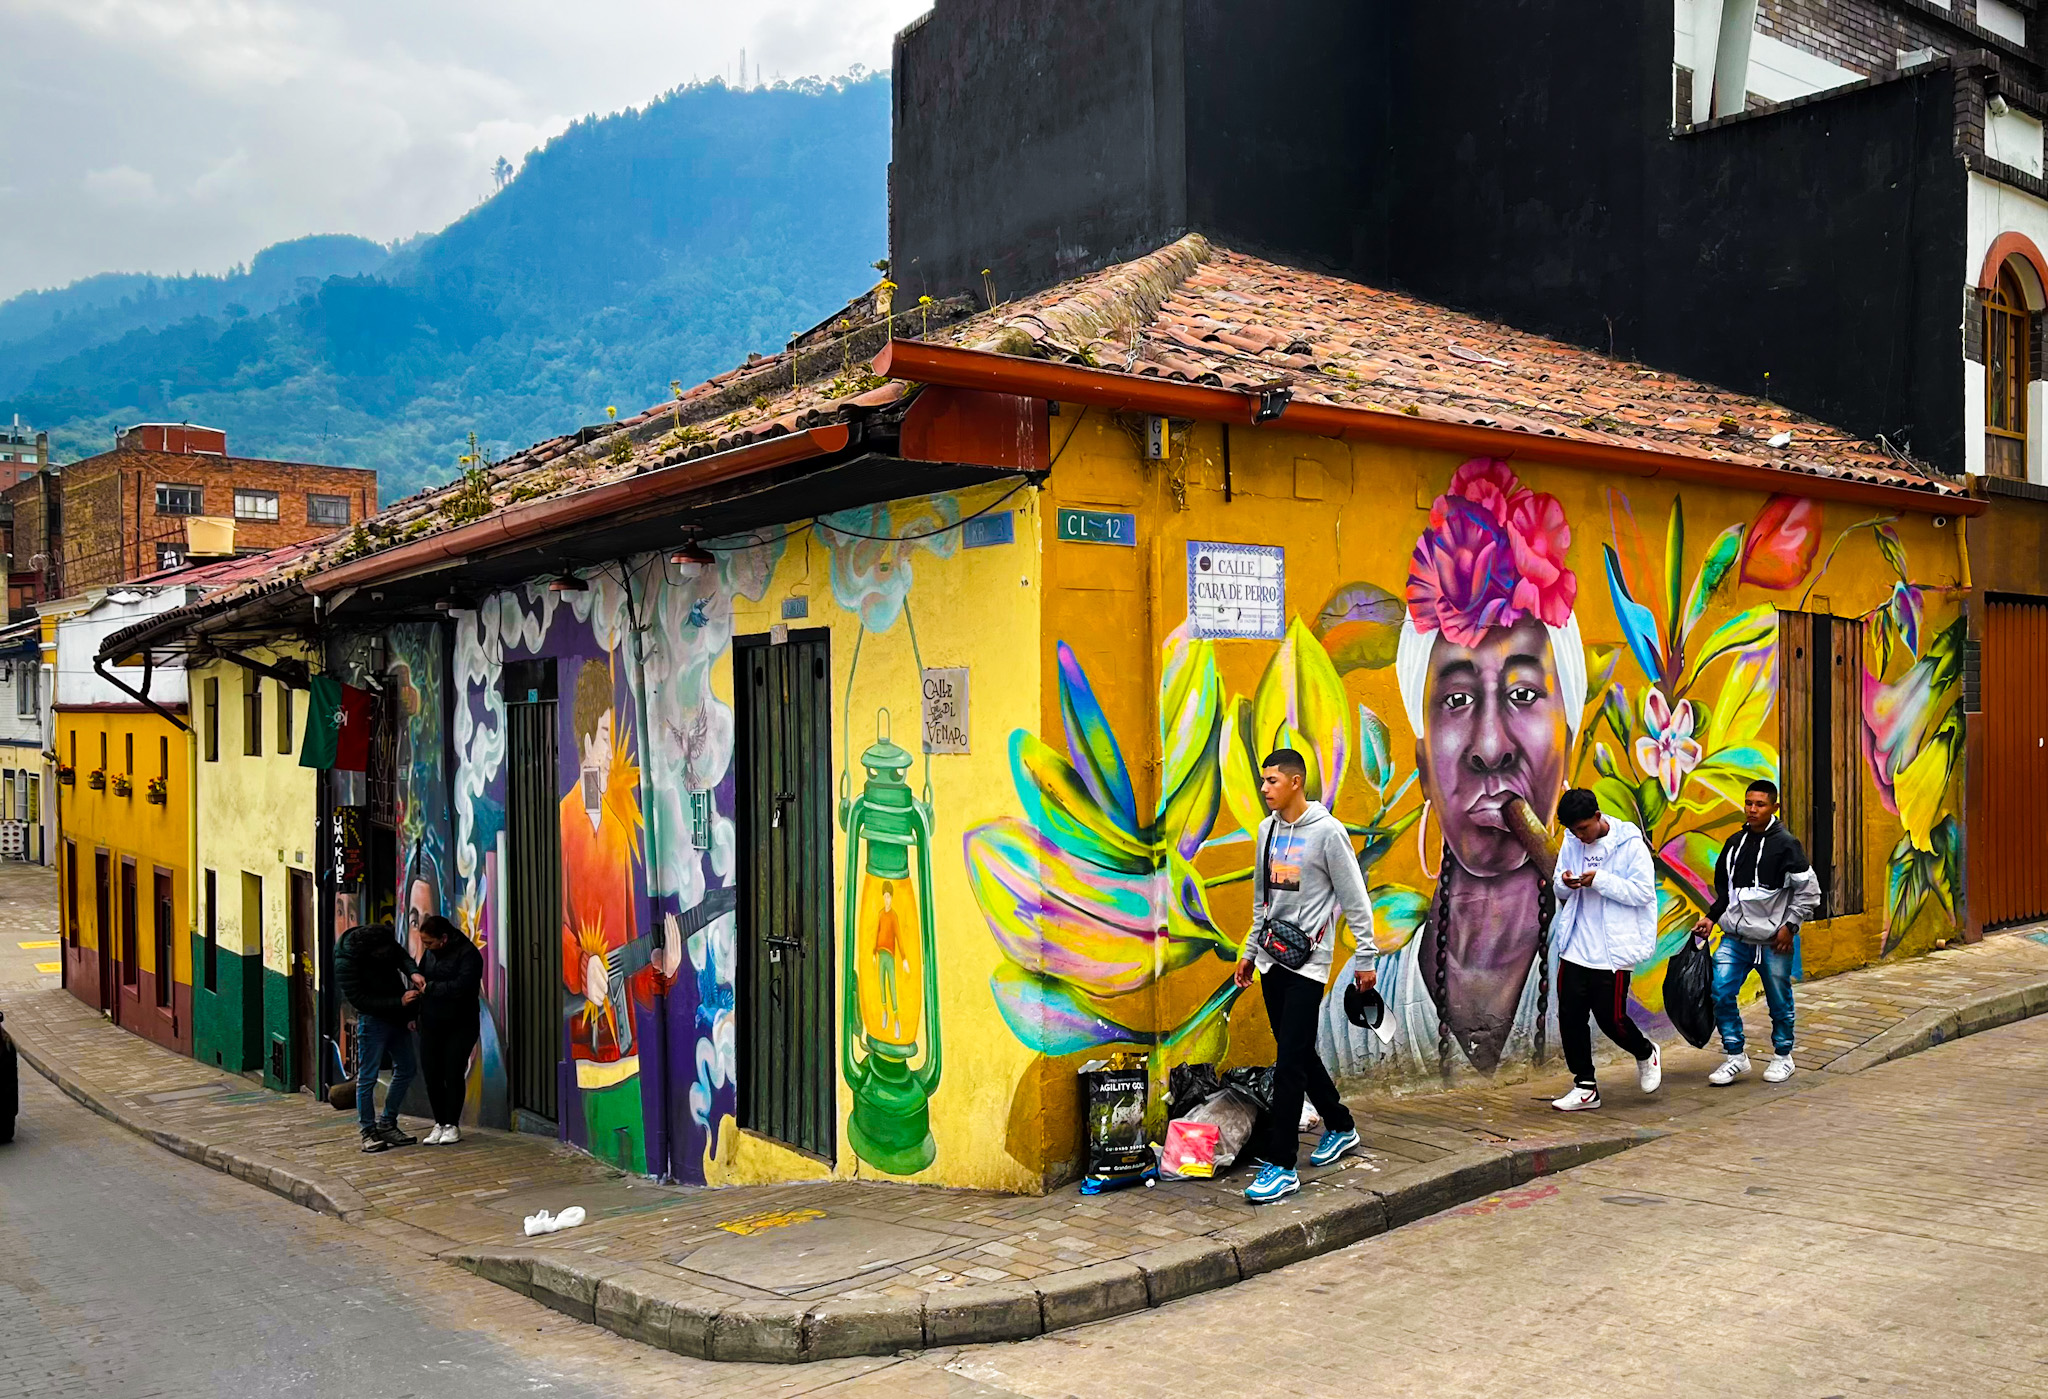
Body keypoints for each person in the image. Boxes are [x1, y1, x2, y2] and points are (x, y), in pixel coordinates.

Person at [1233, 748, 1378, 1204]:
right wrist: (1249, 951)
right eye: (1263, 780)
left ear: (1296, 782)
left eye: (1272, 781)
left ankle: (1281, 1164)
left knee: (1289, 1061)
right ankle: (1340, 1125)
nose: (1264, 788)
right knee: (1296, 1048)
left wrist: (1365, 958)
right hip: (1273, 958)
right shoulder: (1267, 830)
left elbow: (1355, 899)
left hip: (1310, 964)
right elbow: (1263, 901)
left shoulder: (1328, 833)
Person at [1693, 779, 1820, 1086]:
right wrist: (1711, 918)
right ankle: (1735, 1056)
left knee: (1778, 1000)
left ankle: (1783, 1056)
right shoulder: (1734, 844)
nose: (1752, 809)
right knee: (1721, 992)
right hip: (1735, 938)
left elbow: (1809, 892)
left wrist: (1790, 927)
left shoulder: (1787, 844)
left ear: (1774, 807)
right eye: (1748, 803)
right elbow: (1726, 891)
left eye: (1760, 804)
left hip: (1774, 941)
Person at [1547, 788, 1661, 1111]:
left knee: (1612, 1020)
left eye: (1583, 829)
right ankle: (1585, 1086)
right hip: (1576, 945)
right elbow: (1558, 883)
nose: (1579, 836)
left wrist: (1600, 880)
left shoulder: (1630, 846)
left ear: (1598, 817)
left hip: (1612, 951)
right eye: (1572, 831)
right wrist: (1565, 882)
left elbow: (1641, 893)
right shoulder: (1572, 842)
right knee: (1570, 1017)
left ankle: (1645, 1052)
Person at [335, 920, 421, 1152]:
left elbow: (401, 956)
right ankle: (368, 1132)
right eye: (383, 952)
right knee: (368, 1077)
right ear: (370, 951)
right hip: (373, 1020)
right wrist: (399, 1001)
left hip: (397, 1016)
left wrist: (412, 973)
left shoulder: (381, 940)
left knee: (407, 1067)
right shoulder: (346, 961)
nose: (388, 952)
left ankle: (387, 1123)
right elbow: (360, 1001)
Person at [416, 914, 483, 1145]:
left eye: (429, 943)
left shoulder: (468, 954)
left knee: (452, 1072)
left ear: (443, 939)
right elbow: (421, 978)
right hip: (431, 1022)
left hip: (460, 1023)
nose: (426, 947)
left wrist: (431, 988)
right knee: (432, 1074)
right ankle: (439, 1122)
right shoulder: (430, 955)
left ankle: (452, 1125)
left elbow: (464, 987)